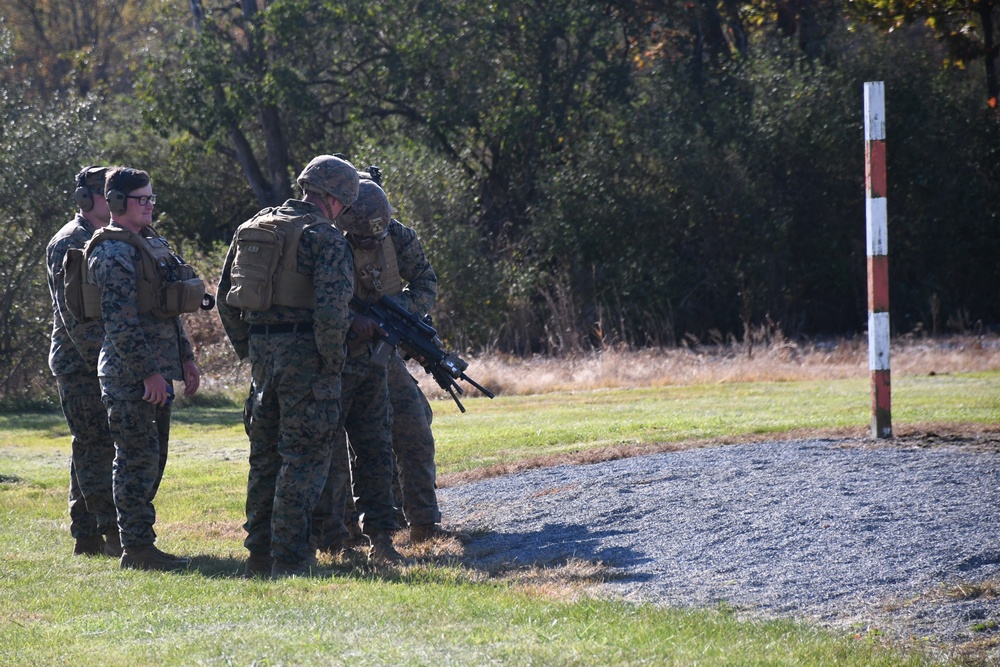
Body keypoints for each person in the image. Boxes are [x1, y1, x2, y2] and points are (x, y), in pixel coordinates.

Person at [217, 155, 358, 578]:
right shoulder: (326, 238)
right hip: (307, 359)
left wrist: (251, 348)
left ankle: (259, 552)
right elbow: (333, 314)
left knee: (264, 457)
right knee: (303, 458)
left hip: (263, 356)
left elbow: (227, 297)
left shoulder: (254, 227)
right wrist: (332, 363)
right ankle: (291, 556)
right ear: (336, 198)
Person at [313, 177, 436, 562]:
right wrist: (352, 319)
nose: (371, 244)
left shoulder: (396, 235)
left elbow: (426, 284)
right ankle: (346, 532)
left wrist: (397, 315)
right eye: (362, 239)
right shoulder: (323, 239)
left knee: (413, 421)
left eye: (375, 239)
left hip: (380, 350)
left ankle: (423, 522)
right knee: (335, 445)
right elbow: (309, 298)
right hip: (333, 353)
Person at [87, 166, 202, 571]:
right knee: (135, 459)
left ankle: (139, 541)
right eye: (142, 199)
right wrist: (147, 372)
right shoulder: (112, 253)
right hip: (128, 376)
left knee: (152, 460)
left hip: (156, 372)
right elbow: (119, 322)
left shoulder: (150, 244)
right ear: (117, 203)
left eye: (152, 198)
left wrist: (184, 358)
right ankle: (135, 549)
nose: (150, 206)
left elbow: (168, 311)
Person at [45, 165, 119, 557]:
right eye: (108, 194)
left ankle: (86, 534)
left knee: (89, 446)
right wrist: (106, 362)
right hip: (81, 364)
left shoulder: (113, 237)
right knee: (94, 446)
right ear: (87, 200)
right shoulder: (69, 242)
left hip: (100, 360)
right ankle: (106, 533)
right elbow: (76, 317)